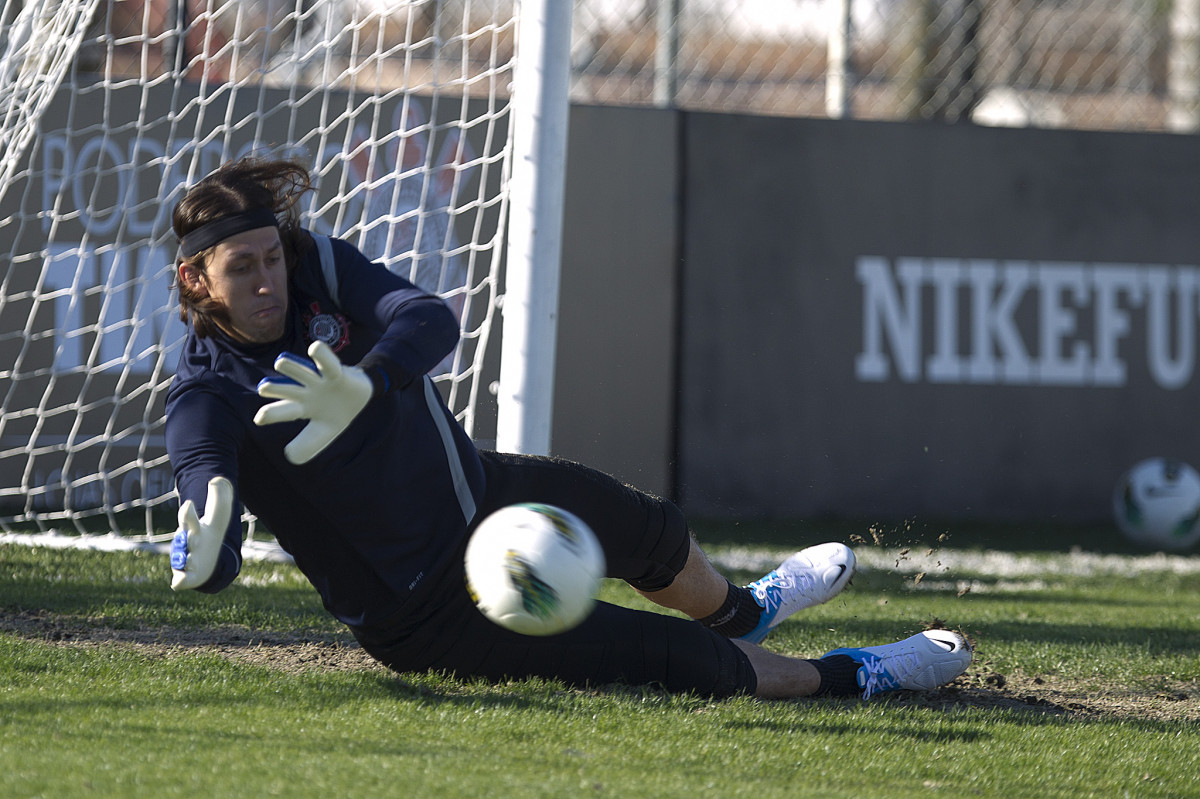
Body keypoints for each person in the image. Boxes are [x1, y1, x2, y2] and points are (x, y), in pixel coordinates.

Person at [165, 156, 972, 701]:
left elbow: (426, 319)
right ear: (195, 278)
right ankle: (850, 675)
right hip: (428, 609)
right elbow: (206, 480)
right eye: (244, 268)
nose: (269, 278)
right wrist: (207, 550)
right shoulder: (207, 393)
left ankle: (743, 610)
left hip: (482, 495)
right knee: (673, 660)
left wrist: (371, 381)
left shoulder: (318, 267)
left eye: (271, 256)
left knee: (647, 527)